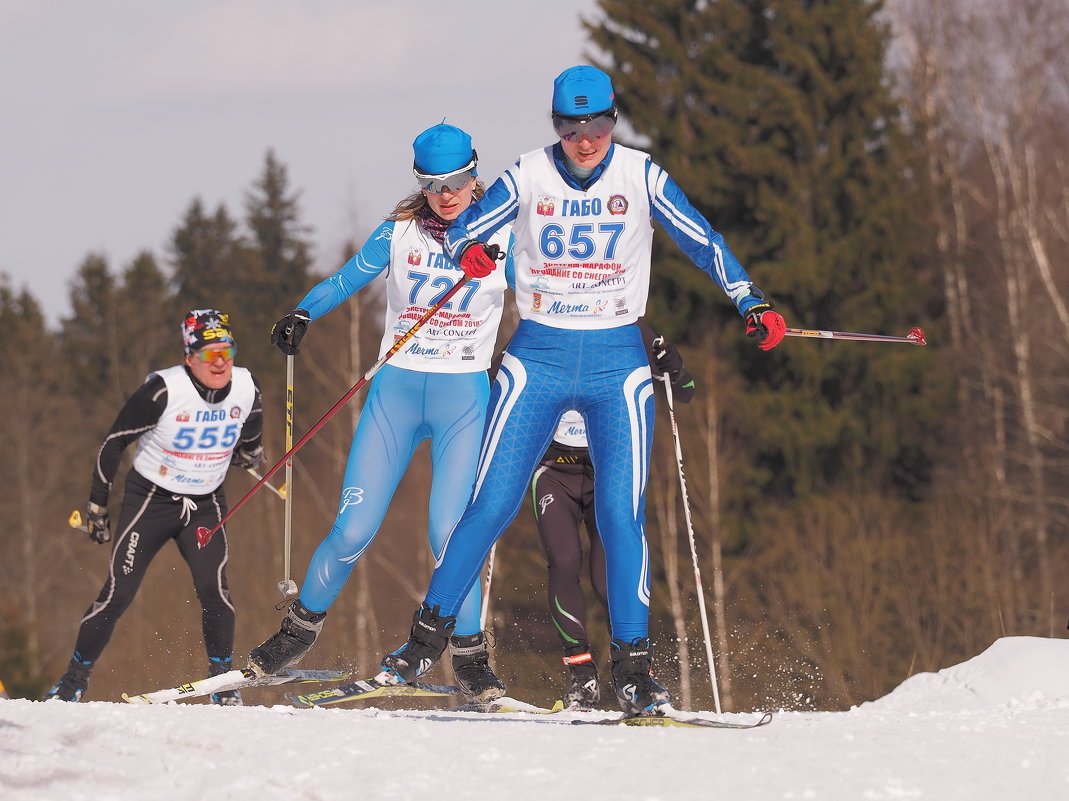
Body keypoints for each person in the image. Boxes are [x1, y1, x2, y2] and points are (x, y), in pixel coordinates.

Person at [379, 65, 786, 717]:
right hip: (536, 354)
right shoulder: (527, 173)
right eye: (570, 125)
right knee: (488, 504)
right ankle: (422, 640)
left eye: (595, 122)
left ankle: (633, 670)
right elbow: (461, 234)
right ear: (555, 126)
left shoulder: (640, 174)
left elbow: (701, 238)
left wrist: (749, 299)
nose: (584, 138)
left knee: (619, 516)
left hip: (614, 361)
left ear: (612, 119)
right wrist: (471, 252)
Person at [249, 123, 515, 703]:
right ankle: (297, 632)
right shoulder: (399, 233)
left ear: (476, 175)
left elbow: (554, 298)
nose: (447, 195)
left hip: (463, 395)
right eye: (433, 184)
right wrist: (302, 313)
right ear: (419, 183)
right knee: (354, 528)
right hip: (395, 391)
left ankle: (470, 656)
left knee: (451, 534)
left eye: (458, 182)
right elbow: (346, 279)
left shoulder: (505, 237)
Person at [45, 310, 264, 704]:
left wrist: (250, 453)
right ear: (189, 357)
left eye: (226, 351)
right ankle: (73, 680)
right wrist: (97, 505)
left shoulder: (246, 385)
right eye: (209, 353)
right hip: (152, 500)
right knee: (118, 593)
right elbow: (114, 442)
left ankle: (221, 683)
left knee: (215, 590)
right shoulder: (163, 390)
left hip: (205, 502)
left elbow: (252, 427)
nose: (220, 362)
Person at [533, 321, 693, 710]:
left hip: (610, 471)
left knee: (609, 578)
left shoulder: (631, 327)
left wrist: (672, 365)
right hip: (555, 471)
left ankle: (634, 673)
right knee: (564, 560)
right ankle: (582, 675)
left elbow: (684, 391)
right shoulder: (543, 323)